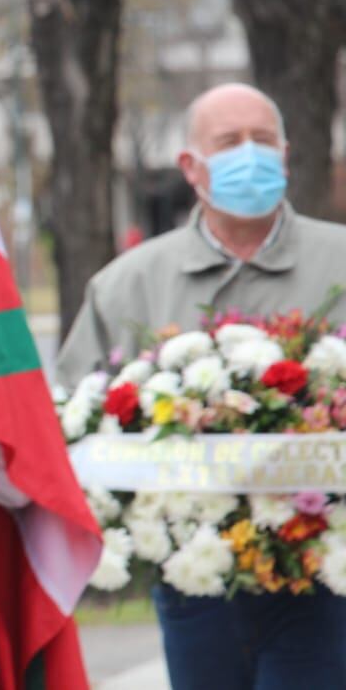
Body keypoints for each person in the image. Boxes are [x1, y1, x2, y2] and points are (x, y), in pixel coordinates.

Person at [56, 83, 346, 689]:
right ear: (190, 165)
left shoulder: (338, 261)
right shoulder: (128, 285)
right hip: (193, 585)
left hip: (326, 583)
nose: (250, 155)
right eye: (229, 142)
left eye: (263, 141)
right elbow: (73, 422)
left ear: (286, 155)